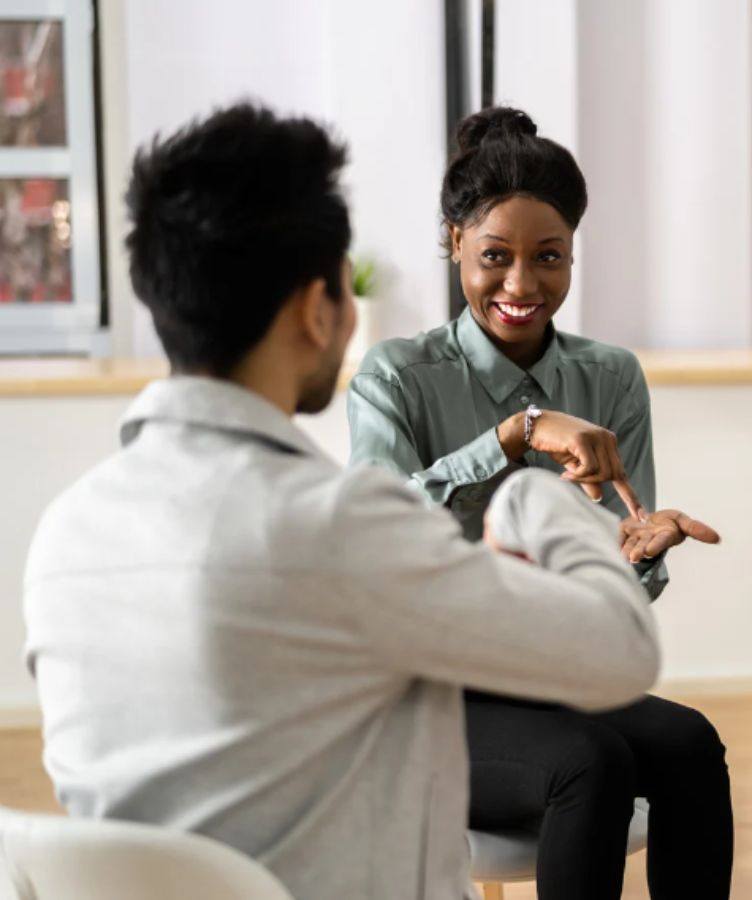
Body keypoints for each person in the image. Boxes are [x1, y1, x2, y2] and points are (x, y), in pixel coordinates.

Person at [22, 103, 661, 900]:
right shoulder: (341, 526)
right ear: (317, 310)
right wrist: (535, 493)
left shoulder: (64, 535)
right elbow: (619, 651)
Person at [347, 106, 732, 900]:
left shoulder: (611, 377)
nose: (523, 285)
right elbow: (380, 549)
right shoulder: (395, 377)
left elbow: (617, 585)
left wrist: (638, 557)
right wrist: (513, 435)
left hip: (547, 673)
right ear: (455, 242)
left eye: (549, 258)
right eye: (495, 256)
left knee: (691, 744)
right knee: (591, 763)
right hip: (421, 693)